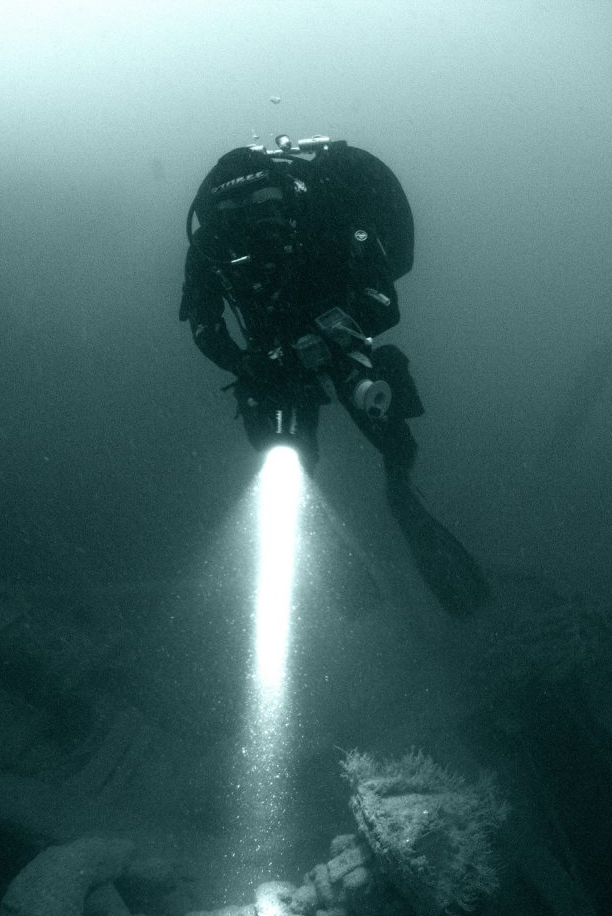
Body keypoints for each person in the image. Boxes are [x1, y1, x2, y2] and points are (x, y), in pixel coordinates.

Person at [180, 134, 489, 617]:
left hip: (343, 344)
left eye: (265, 202)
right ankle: (322, 541)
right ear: (216, 216)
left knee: (389, 428)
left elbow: (384, 303)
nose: (256, 220)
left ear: (287, 193)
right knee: (287, 456)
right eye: (236, 211)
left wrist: (332, 337)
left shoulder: (324, 212)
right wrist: (246, 365)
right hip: (275, 363)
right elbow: (204, 323)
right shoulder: (210, 247)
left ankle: (400, 492)